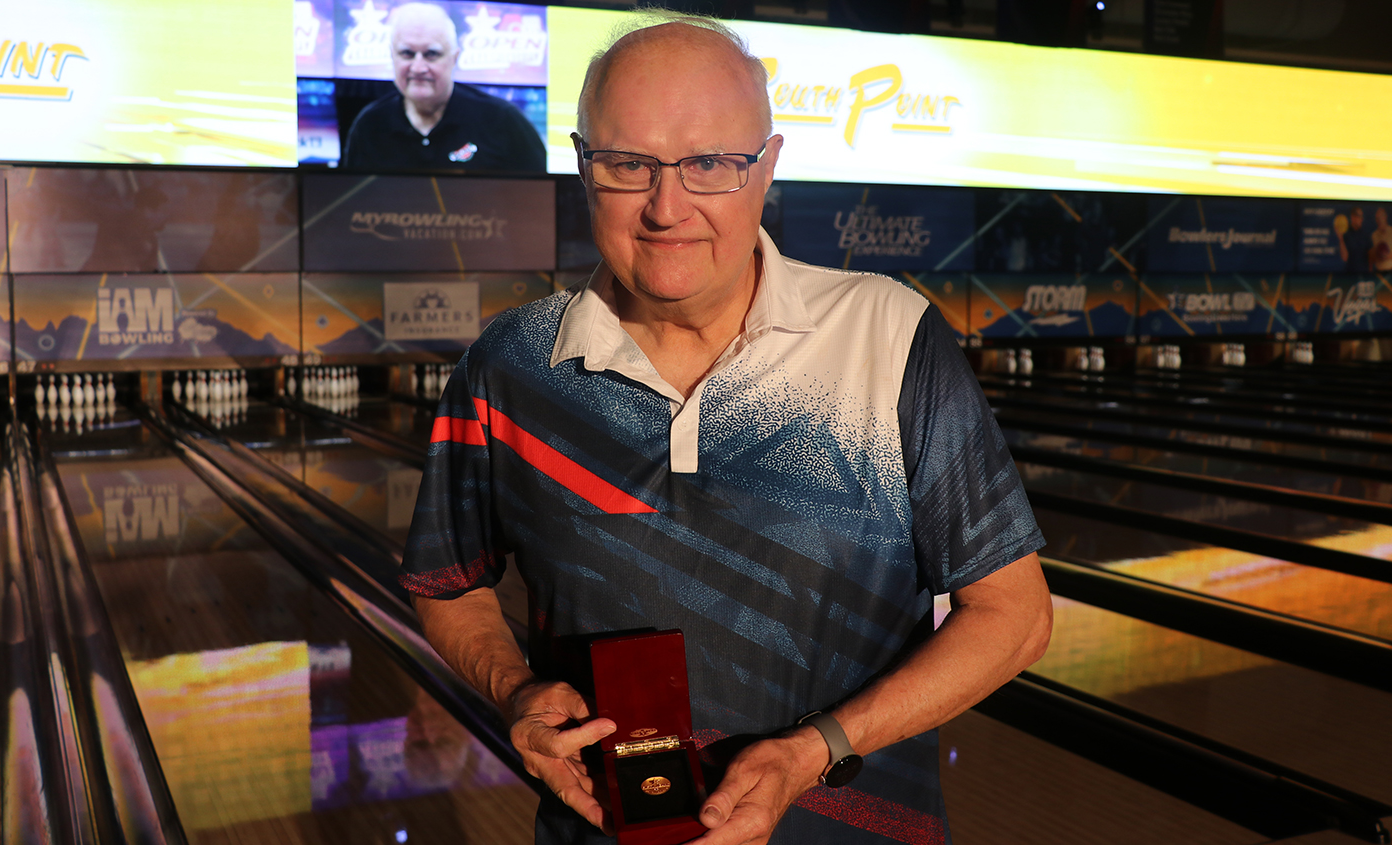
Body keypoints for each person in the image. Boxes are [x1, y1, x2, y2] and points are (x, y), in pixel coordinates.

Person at [401, 14, 1051, 845]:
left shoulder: (888, 337)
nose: (667, 207)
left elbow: (1015, 615)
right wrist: (514, 690)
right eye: (628, 164)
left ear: (767, 167)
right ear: (583, 165)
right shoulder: (511, 364)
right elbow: (447, 581)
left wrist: (816, 749)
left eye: (710, 163)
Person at [341, 2, 546, 173]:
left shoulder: (503, 121)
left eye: (431, 54)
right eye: (407, 54)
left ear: (454, 58)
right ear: (392, 57)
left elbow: (542, 198)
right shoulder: (369, 125)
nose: (418, 67)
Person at [1338, 206, 1373, 273]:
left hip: (1364, 273)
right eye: (1359, 216)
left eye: (1362, 217)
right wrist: (1341, 239)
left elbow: (1370, 257)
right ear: (1352, 217)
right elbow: (1345, 258)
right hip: (1350, 273)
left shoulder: (1366, 236)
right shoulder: (1346, 235)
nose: (1361, 219)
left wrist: (1370, 273)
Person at [1370, 207, 1392, 272]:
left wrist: (1387, 256)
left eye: (1381, 217)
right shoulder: (1374, 235)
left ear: (1385, 217)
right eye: (1377, 218)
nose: (1379, 220)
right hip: (1379, 271)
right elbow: (1372, 256)